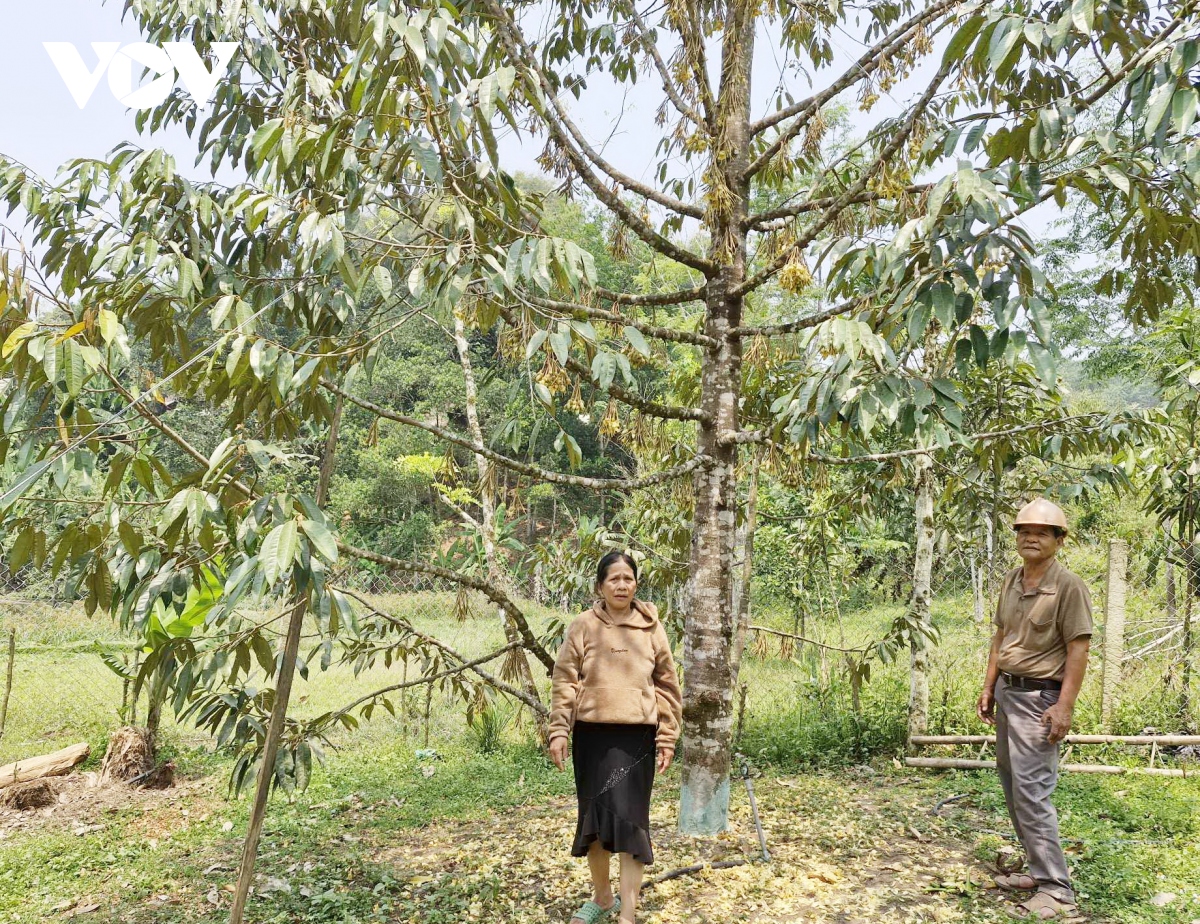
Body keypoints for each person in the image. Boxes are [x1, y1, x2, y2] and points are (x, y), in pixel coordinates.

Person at [548, 551, 683, 924]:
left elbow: (668, 686)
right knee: (594, 819)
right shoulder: (583, 625)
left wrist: (667, 737)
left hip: (637, 738)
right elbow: (564, 681)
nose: (622, 585)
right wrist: (559, 730)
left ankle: (628, 914)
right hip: (591, 737)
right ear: (600, 586)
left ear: (636, 583)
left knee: (631, 821)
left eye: (628, 578)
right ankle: (603, 897)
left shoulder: (651, 627)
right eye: (614, 579)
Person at [976, 498, 1093, 921]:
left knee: (1033, 791)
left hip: (1041, 701)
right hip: (1009, 694)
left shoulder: (1069, 587)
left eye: (1042, 532)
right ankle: (1036, 870)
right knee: (1012, 784)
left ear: (1059, 541)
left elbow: (1078, 650)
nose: (1031, 537)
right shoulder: (1012, 579)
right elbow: (1001, 636)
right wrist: (989, 685)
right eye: (1024, 531)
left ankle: (1057, 890)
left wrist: (1064, 707)